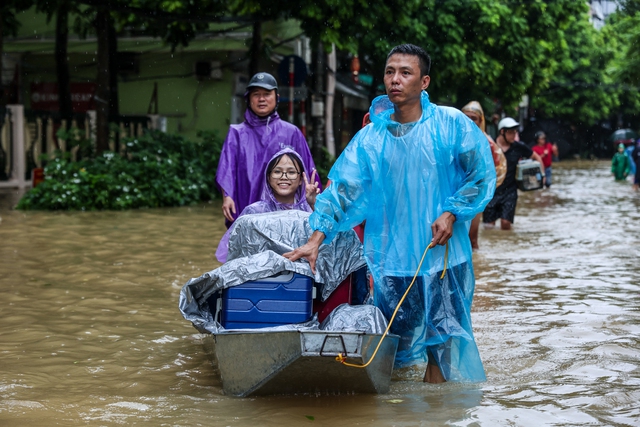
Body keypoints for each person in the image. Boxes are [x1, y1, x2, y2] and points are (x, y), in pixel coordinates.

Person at [284, 44, 496, 383]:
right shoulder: (370, 139)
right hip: (393, 261)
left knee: (440, 349)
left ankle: (436, 415)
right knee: (392, 353)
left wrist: (452, 212)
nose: (394, 79)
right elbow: (342, 191)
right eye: (389, 72)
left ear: (424, 81)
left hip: (441, 256)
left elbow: (482, 175)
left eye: (405, 73)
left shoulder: (451, 124)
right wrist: (315, 239)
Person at [216, 72, 320, 227]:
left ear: (276, 97)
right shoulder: (236, 133)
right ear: (248, 99)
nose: (261, 99)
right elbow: (227, 169)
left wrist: (314, 202)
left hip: (285, 212)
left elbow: (309, 173)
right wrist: (227, 197)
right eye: (256, 94)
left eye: (266, 94)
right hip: (246, 200)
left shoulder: (292, 132)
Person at [216, 148, 319, 263]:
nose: (284, 176)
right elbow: (236, 255)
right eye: (277, 171)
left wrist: (314, 204)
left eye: (291, 172)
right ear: (268, 177)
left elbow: (328, 241)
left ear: (301, 179)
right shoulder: (254, 212)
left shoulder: (310, 210)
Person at [482, 117, 544, 230]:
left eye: (515, 132)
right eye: (510, 132)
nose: (513, 135)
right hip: (492, 191)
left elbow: (537, 157)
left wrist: (542, 176)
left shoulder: (518, 147)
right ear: (502, 132)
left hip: (510, 191)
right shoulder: (491, 147)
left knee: (505, 223)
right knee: (488, 226)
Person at [461, 101, 507, 250]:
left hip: (475, 193)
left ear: (481, 121)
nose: (469, 120)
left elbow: (496, 169)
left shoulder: (487, 143)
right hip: (453, 192)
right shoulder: (453, 138)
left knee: (472, 239)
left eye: (473, 118)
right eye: (466, 116)